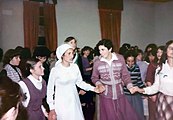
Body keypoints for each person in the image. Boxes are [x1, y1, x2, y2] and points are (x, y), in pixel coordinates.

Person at [46, 44, 103, 120]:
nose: (72, 56)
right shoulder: (55, 70)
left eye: (72, 53)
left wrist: (93, 88)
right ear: (62, 55)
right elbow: (50, 90)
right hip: (61, 102)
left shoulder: (75, 67)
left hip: (74, 100)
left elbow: (80, 82)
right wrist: (51, 107)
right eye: (69, 53)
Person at [91, 39, 139, 120]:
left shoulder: (120, 58)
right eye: (99, 50)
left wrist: (130, 86)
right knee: (110, 117)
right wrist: (99, 84)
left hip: (120, 93)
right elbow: (94, 77)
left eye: (103, 50)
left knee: (124, 116)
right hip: (106, 95)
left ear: (110, 49)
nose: (100, 52)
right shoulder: (97, 62)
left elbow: (125, 75)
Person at [135, 40, 173, 120]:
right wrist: (141, 90)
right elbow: (155, 87)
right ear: (166, 51)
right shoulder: (160, 67)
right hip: (163, 101)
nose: (172, 50)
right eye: (170, 48)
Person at [124, 50, 145, 120]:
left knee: (138, 114)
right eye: (128, 61)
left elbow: (139, 80)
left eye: (132, 61)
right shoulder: (123, 68)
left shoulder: (136, 67)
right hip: (126, 94)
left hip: (136, 94)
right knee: (127, 115)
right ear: (125, 60)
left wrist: (144, 90)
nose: (130, 63)